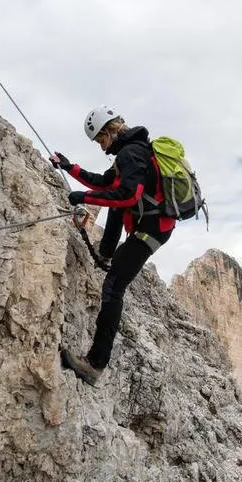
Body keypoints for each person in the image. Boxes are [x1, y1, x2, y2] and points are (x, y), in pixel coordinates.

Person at [50, 106, 175, 386]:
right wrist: (69, 167)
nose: (100, 146)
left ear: (108, 131)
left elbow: (128, 197)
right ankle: (107, 251)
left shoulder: (131, 154)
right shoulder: (129, 152)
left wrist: (86, 198)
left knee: (113, 288)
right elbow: (105, 182)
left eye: (100, 140)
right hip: (151, 225)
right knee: (113, 201)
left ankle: (95, 364)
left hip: (151, 231)